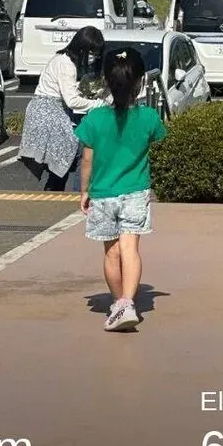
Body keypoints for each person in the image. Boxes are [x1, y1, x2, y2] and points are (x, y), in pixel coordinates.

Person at [76, 48, 166, 331]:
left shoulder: (93, 120)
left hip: (102, 194)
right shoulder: (150, 118)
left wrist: (84, 191)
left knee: (111, 253)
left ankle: (118, 303)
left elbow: (87, 159)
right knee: (130, 250)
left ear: (106, 80)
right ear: (139, 81)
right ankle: (128, 302)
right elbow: (158, 140)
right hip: (136, 193)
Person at [18, 26, 105, 191]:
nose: (94, 57)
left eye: (97, 54)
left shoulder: (64, 59)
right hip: (49, 112)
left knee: (64, 155)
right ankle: (79, 192)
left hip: (49, 111)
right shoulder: (66, 65)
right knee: (80, 150)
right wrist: (98, 104)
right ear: (81, 49)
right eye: (92, 53)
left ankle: (55, 188)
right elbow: (72, 100)